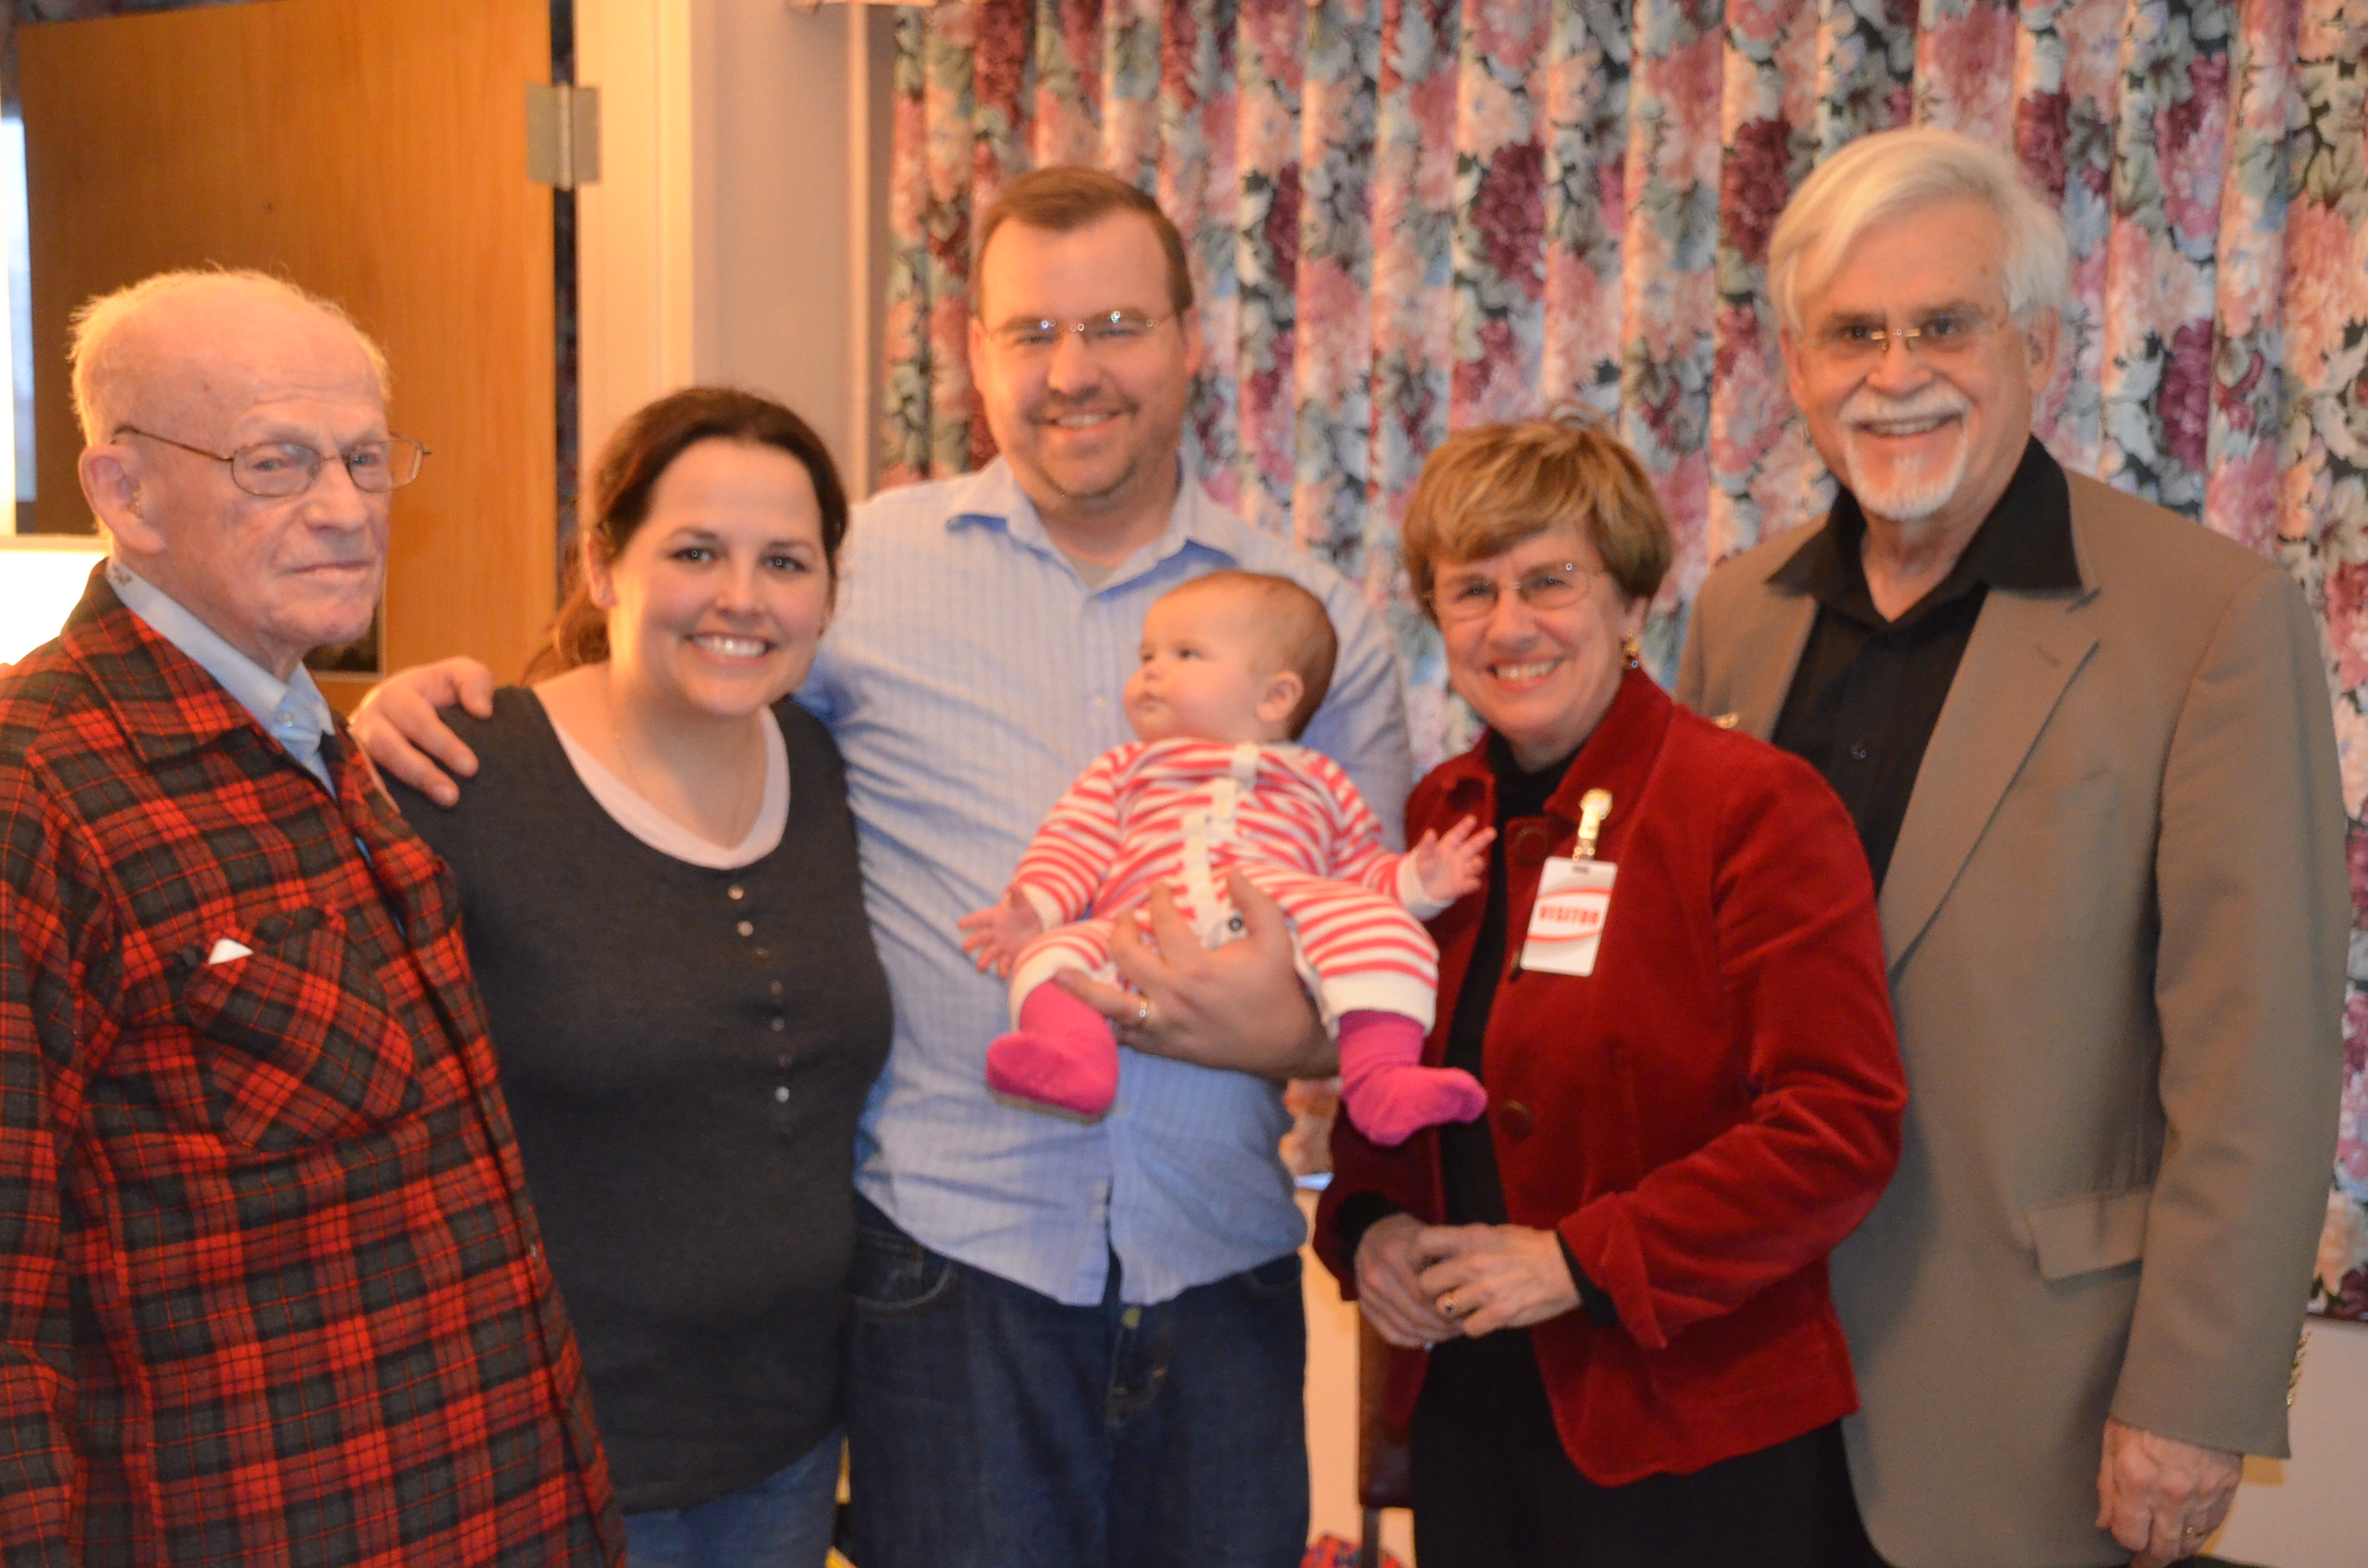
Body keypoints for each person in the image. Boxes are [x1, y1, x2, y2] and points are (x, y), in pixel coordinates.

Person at [353, 166, 1412, 1566]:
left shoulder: (1316, 623)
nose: (1073, 371)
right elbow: (672, 688)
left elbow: (1372, 968)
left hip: (1221, 1267)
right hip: (947, 1272)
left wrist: (1230, 1017)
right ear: (974, 351)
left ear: (1189, 337)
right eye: (1031, 332)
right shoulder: (861, 574)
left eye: (1115, 325)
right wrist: (445, 703)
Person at [1675, 125, 2350, 1568]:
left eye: (1944, 325)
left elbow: (2261, 1058)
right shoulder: (1737, 616)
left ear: (2036, 346)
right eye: (1851, 332)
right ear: (1793, 366)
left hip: (2036, 1410)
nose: (1894, 371)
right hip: (1738, 1390)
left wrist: (2196, 1396)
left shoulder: (2207, 619)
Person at [0, 269, 621, 1563]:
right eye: (274, 462)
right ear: (124, 492)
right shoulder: (39, 789)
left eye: (362, 457)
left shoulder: (322, 741)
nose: (344, 509)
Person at [1314, 414, 1908, 1568]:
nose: (1508, 624)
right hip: (1472, 1424)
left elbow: (1837, 1125)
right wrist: (1372, 1227)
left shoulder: (1750, 807)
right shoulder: (1441, 816)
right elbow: (1384, 1074)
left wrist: (1576, 1261)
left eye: (1550, 580)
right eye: (1470, 590)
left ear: (1634, 602)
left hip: (1689, 1437)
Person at [378, 388, 893, 1567]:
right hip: (541, 1448)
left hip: (787, 1441)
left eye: (785, 561)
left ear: (827, 593)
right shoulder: (461, 770)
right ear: (602, 565)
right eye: (695, 552)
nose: (741, 597)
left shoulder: (826, 766)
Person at [961, 570, 1489, 1139]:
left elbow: (1357, 868)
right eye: (1147, 656)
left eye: (1185, 653)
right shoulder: (1126, 769)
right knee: (1049, 960)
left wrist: (1415, 882)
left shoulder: (1319, 779)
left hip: (1282, 917)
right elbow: (1073, 841)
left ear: (1275, 697)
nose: (1151, 671)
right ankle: (1076, 1059)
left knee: (1387, 931)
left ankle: (1381, 1078)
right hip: (1139, 924)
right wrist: (1037, 907)